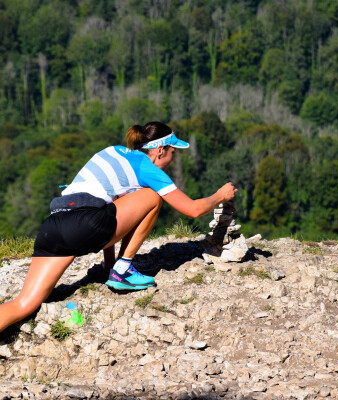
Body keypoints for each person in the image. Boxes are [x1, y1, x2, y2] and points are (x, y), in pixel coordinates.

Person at [0, 121, 237, 333]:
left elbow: (112, 208)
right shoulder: (148, 169)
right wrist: (220, 195)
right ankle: (122, 271)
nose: (172, 159)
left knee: (24, 304)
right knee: (153, 197)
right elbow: (193, 209)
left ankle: (115, 268)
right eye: (173, 152)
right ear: (160, 150)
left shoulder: (113, 151)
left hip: (53, 225)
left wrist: (108, 264)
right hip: (86, 222)